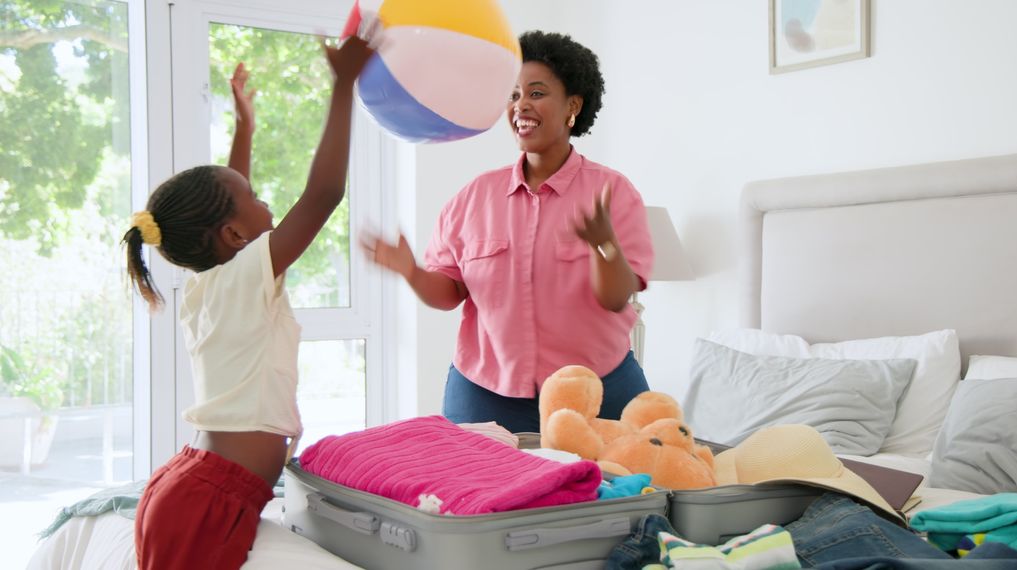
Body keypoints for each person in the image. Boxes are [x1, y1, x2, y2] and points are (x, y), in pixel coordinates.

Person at [122, 35, 377, 569]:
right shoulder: (239, 278)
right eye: (259, 200)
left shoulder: (208, 282)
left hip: (195, 485)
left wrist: (246, 129)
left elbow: (231, 204)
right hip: (208, 495)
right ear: (235, 235)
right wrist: (343, 85)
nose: (266, 201)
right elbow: (325, 194)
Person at [364, 30, 654, 434]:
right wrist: (411, 271)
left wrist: (604, 244)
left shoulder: (613, 192)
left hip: (596, 388)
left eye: (536, 93)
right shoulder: (474, 197)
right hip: (485, 389)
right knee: (472, 493)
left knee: (621, 492)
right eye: (513, 95)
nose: (521, 105)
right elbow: (450, 294)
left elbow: (616, 297)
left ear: (573, 105)